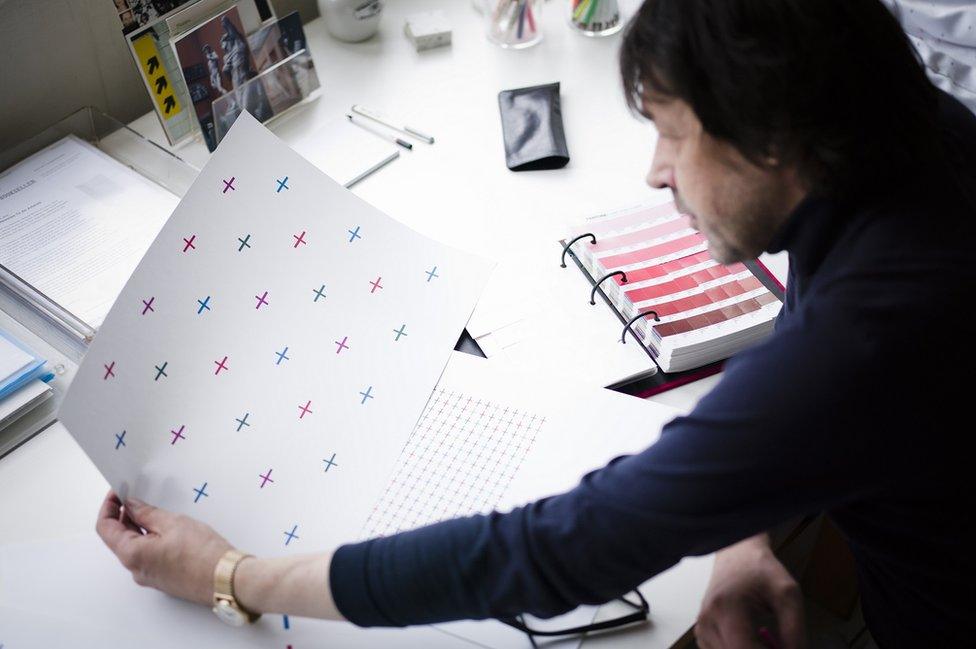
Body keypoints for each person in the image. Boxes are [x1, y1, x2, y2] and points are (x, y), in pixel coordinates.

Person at [95, 1, 975, 647]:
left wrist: (229, 575)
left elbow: (553, 550)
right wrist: (741, 526)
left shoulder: (867, 344)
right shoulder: (917, 136)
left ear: (775, 135)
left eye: (671, 133)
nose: (656, 173)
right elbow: (812, 325)